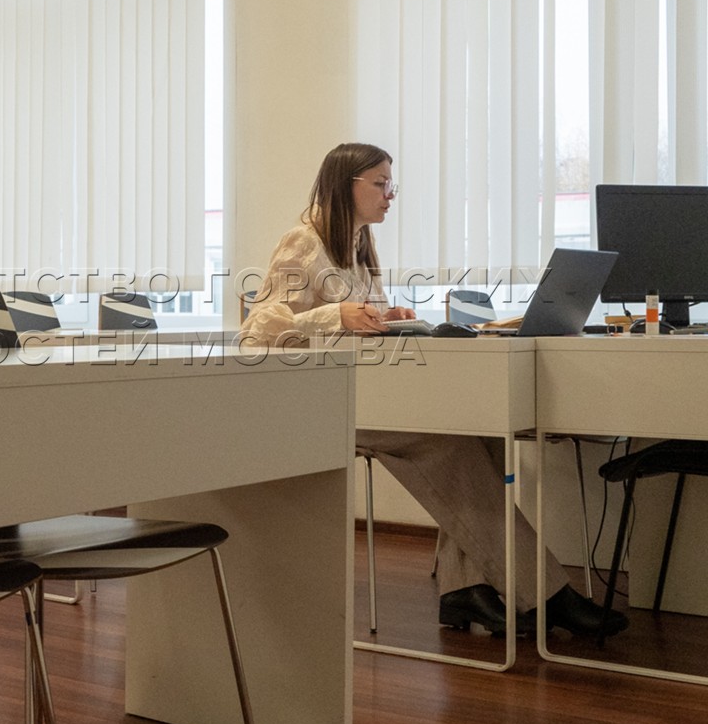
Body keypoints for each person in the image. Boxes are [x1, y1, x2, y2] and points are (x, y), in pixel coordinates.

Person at [242, 141, 625, 638]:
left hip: (368, 392)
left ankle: (464, 590)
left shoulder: (359, 244)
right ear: (345, 185)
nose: (390, 195)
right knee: (448, 444)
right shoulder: (304, 241)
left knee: (478, 432)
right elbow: (258, 329)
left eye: (391, 184)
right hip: (324, 401)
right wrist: (335, 314)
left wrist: (386, 316)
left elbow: (356, 324)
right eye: (380, 184)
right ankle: (547, 595)